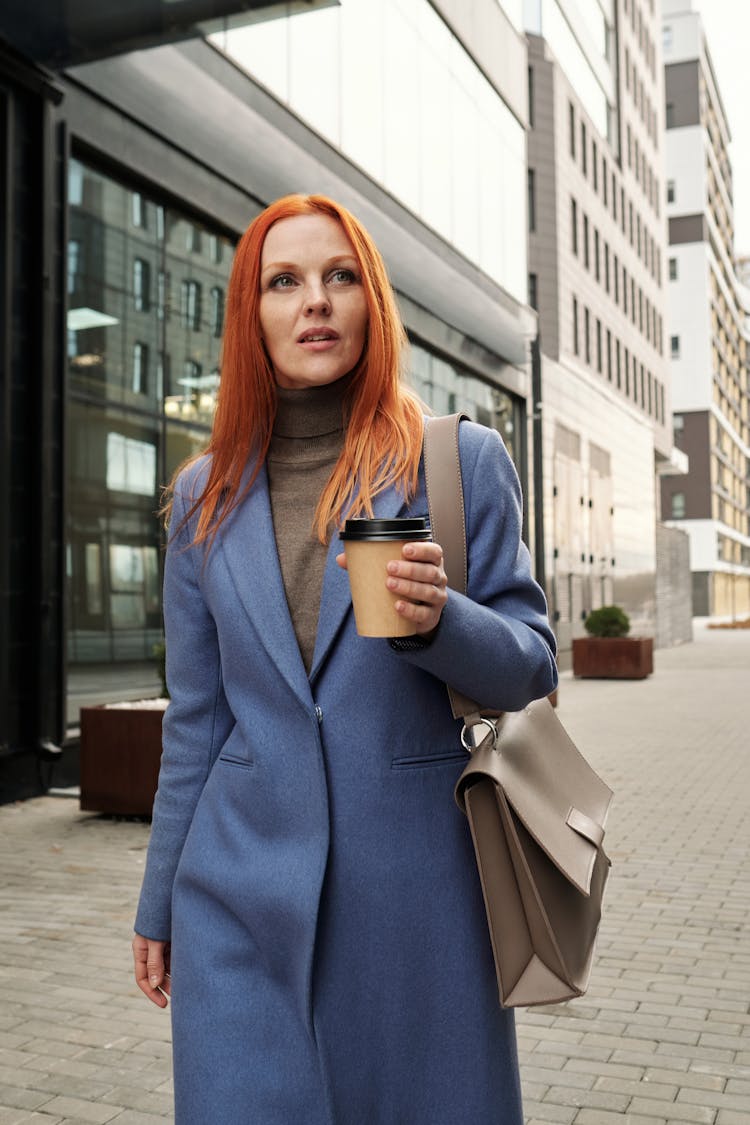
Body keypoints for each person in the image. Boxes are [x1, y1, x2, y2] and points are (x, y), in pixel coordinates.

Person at [132, 193, 558, 1124]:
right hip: (237, 903)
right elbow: (198, 720)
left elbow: (532, 667)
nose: (314, 301)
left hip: (420, 913)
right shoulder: (204, 494)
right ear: (251, 313)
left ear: (373, 304)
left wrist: (437, 619)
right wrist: (159, 898)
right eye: (284, 281)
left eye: (340, 277)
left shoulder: (457, 460)